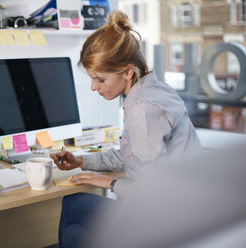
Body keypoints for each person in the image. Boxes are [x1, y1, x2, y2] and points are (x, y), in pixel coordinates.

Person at [50, 10, 201, 248]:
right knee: (74, 221)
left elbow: (154, 193)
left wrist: (108, 183)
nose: (93, 87)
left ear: (128, 72)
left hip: (167, 219)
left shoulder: (143, 108)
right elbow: (135, 154)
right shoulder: (152, 89)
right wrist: (81, 160)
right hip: (179, 211)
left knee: (74, 218)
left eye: (100, 80)